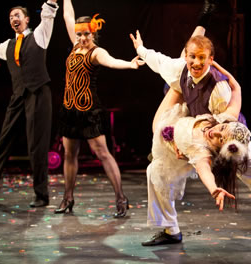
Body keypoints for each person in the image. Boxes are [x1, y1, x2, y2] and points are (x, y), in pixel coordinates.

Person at [129, 14, 251, 261]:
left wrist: (205, 136)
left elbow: (227, 121)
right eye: (192, 57)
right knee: (155, 170)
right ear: (185, 56)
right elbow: (158, 61)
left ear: (211, 59)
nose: (196, 63)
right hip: (201, 135)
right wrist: (141, 49)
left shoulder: (218, 87)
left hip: (230, 138)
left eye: (201, 58)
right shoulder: (179, 70)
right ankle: (170, 229)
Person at [54, 0, 144, 217]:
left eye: (86, 34)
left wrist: (130, 64)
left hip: (88, 111)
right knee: (69, 154)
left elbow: (112, 61)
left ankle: (121, 198)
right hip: (69, 111)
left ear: (93, 33)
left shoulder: (96, 52)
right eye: (79, 34)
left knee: (103, 153)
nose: (83, 38)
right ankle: (68, 197)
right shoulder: (75, 46)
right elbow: (67, 17)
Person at [143, 102, 250, 247]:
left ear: (220, 147)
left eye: (220, 139)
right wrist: (234, 83)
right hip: (173, 123)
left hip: (170, 157)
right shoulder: (215, 121)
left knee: (156, 174)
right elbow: (234, 105)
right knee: (154, 174)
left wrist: (213, 188)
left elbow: (204, 169)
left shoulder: (202, 151)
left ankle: (171, 230)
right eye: (222, 129)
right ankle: (171, 230)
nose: (215, 132)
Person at [0, 1, 59, 207]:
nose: (13, 19)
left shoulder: (39, 36)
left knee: (36, 144)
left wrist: (52, 3)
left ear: (27, 19)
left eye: (17, 15)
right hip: (18, 96)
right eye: (10, 17)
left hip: (38, 93)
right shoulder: (7, 46)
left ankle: (41, 195)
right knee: (3, 141)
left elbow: (48, 15)